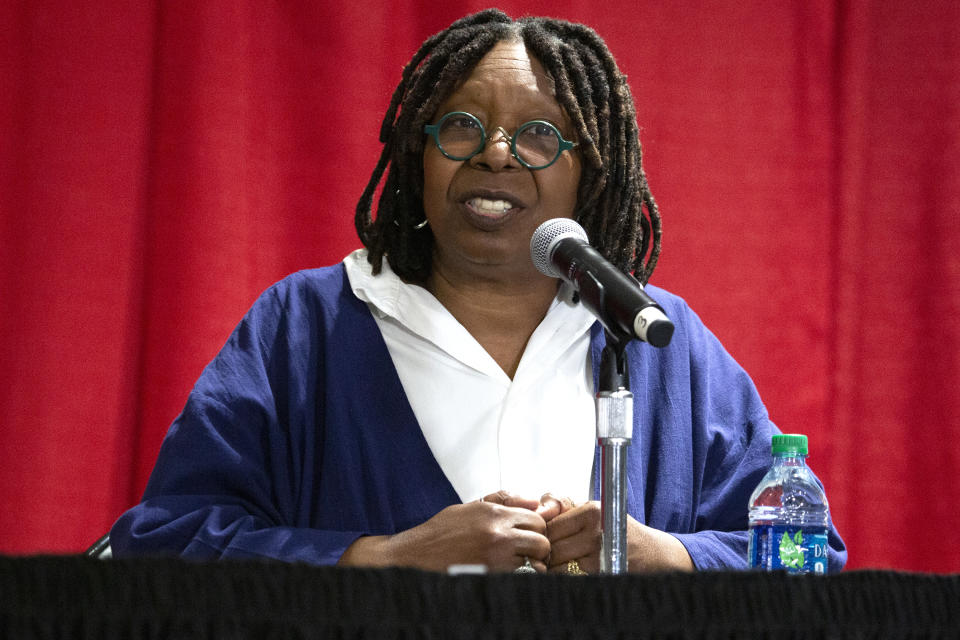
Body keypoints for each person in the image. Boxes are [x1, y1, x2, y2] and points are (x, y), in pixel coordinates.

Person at [110, 9, 846, 574]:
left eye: (538, 136)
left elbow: (809, 556)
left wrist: (662, 556)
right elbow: (161, 539)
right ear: (417, 154)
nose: (495, 153)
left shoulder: (657, 340)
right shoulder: (306, 328)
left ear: (589, 173)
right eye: (461, 127)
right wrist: (388, 558)